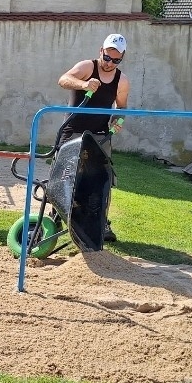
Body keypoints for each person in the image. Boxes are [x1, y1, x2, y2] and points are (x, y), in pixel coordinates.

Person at [56, 33, 131, 242]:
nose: (110, 63)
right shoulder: (87, 67)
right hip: (72, 130)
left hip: (99, 135)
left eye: (116, 60)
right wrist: (84, 85)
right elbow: (63, 79)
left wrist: (119, 121)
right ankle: (55, 215)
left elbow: (122, 108)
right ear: (101, 51)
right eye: (107, 58)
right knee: (64, 175)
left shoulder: (121, 80)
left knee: (100, 179)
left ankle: (100, 222)